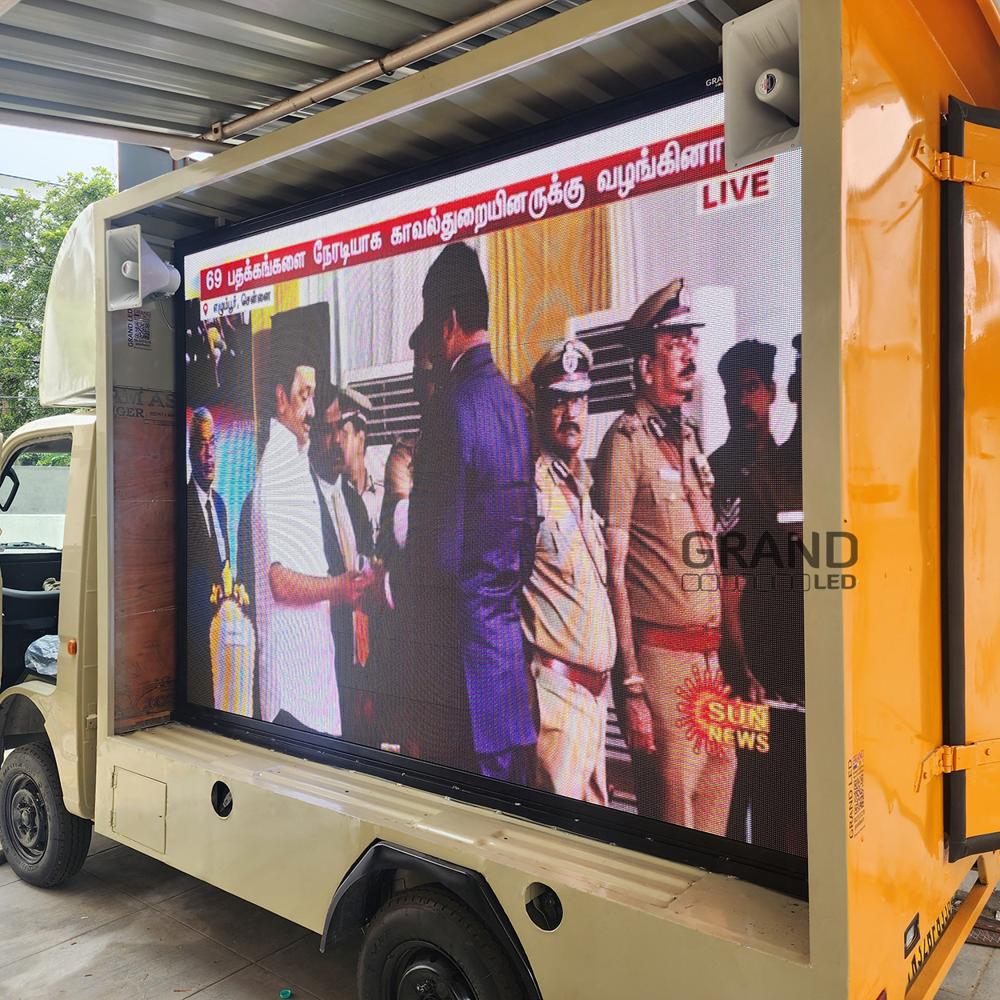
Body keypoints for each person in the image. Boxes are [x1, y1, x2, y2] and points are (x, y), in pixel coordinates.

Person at [592, 278, 736, 835]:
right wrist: (631, 685)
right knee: (674, 808)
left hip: (709, 659)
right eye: (673, 343)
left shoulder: (690, 440)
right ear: (645, 366)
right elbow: (614, 571)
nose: (689, 353)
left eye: (691, 341)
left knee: (720, 778)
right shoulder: (626, 443)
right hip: (662, 660)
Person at [398, 242, 537, 782]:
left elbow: (438, 560)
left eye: (433, 326)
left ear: (450, 321)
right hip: (507, 683)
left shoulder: (449, 409)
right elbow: (526, 540)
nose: (431, 344)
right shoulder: (513, 406)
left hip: (458, 691)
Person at [711, 334, 806, 855]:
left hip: (791, 666)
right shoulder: (721, 469)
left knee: (789, 801)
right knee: (744, 796)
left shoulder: (790, 461)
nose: (740, 403)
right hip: (745, 665)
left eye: (749, 390)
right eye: (731, 393)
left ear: (771, 392)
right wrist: (740, 663)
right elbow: (726, 577)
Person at [523, 338, 617, 804]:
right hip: (557, 696)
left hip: (595, 702)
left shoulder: (582, 486)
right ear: (542, 408)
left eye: (578, 400)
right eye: (559, 402)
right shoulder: (529, 486)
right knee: (559, 853)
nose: (571, 414)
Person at [253, 341, 341, 736]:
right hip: (294, 699)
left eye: (312, 398)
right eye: (304, 397)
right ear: (280, 397)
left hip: (308, 687)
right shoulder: (280, 466)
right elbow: (281, 582)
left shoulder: (294, 458)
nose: (310, 411)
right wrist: (344, 587)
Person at [310, 383, 376, 743]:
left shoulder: (353, 502)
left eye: (341, 429)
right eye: (327, 429)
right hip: (323, 667)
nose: (336, 440)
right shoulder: (301, 501)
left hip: (360, 665)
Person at [186, 407, 230, 708]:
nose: (209, 453)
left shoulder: (220, 504)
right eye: (202, 445)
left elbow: (224, 566)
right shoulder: (184, 504)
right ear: (190, 452)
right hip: (197, 642)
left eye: (212, 442)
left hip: (224, 635)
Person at [337, 387, 383, 546]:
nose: (336, 440)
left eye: (341, 431)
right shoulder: (333, 496)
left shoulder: (386, 487)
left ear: (360, 438)